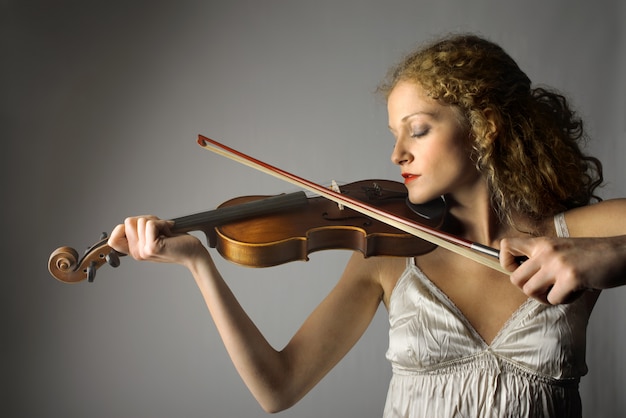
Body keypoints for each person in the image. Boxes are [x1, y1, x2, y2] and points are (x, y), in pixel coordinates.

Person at [108, 34, 626, 417]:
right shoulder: (387, 254)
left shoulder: (574, 234)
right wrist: (200, 262)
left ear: (484, 127)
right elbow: (278, 388)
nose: (397, 153)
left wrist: (608, 254)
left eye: (417, 130)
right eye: (394, 134)